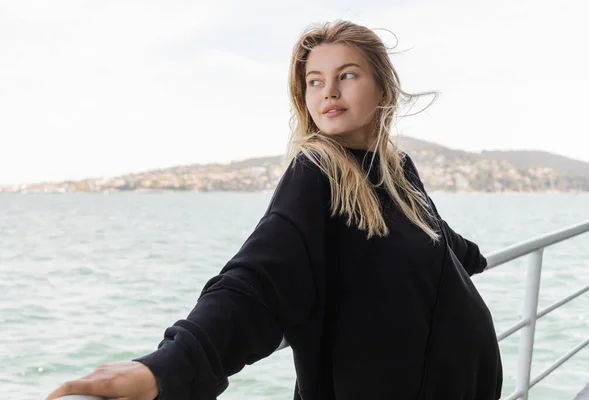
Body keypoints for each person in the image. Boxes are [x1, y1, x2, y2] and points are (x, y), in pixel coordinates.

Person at [46, 20, 502, 400]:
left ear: (381, 85)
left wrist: (473, 257)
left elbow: (431, 235)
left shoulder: (397, 168)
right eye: (315, 81)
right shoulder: (318, 172)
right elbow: (258, 279)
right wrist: (167, 368)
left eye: (347, 75)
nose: (329, 92)